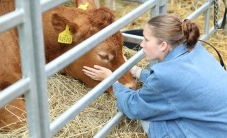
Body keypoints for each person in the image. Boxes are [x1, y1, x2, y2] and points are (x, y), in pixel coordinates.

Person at [82, 14, 227, 138]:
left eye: (146, 39)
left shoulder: (166, 74)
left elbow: (134, 107)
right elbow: (176, 85)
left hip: (210, 133)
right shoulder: (194, 48)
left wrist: (112, 80)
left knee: (152, 119)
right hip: (218, 124)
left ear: (163, 45)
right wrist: (135, 70)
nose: (141, 44)